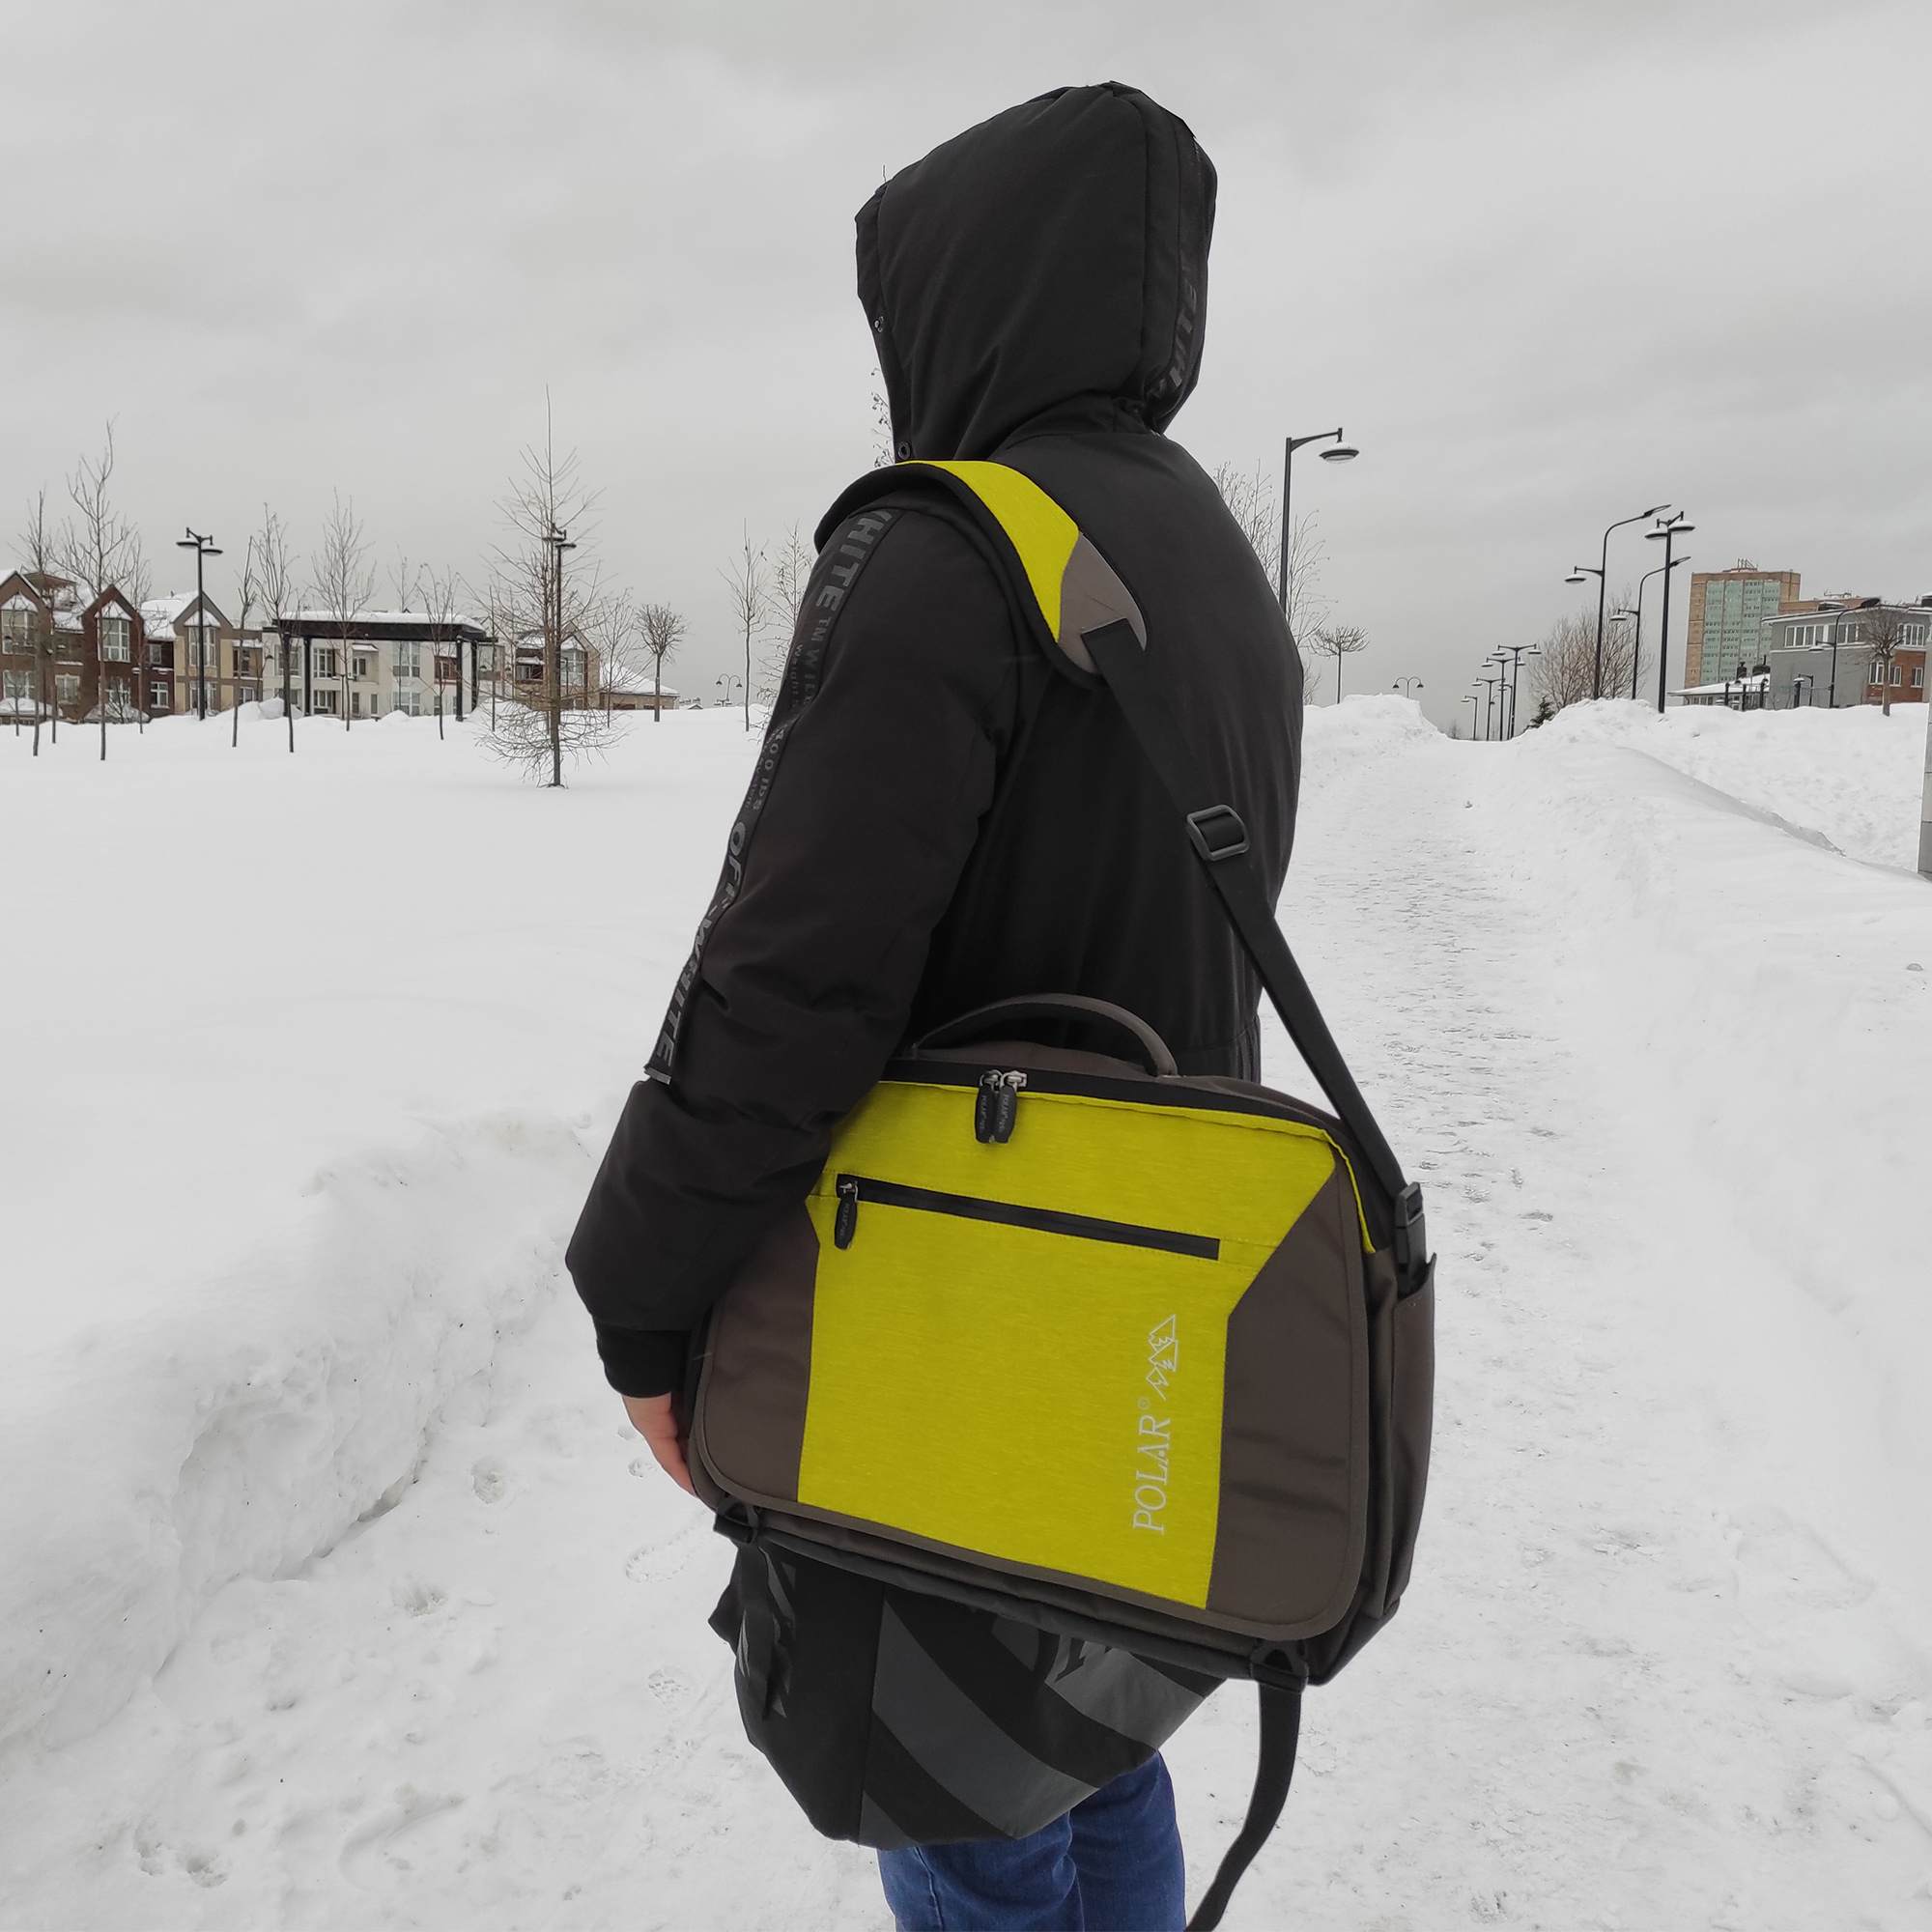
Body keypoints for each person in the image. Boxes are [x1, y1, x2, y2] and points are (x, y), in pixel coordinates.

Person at [567, 81, 1303, 1932]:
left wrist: (639, 1298)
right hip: (1145, 1303)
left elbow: (783, 980)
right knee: (1090, 1729)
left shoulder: (949, 549)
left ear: (962, 299)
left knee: (963, 1791)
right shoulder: (1211, 566)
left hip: (964, 1309)